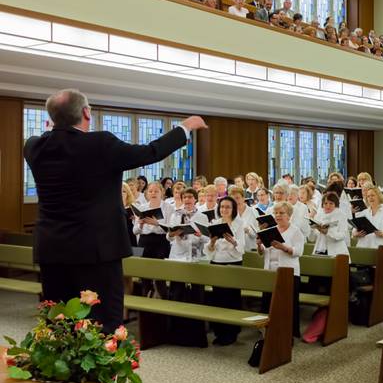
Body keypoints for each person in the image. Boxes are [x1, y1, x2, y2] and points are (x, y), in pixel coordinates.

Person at [24, 89, 202, 330]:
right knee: (101, 320)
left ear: (52, 118)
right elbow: (150, 151)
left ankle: (62, 365)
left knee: (59, 318)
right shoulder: (100, 144)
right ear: (86, 112)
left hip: (52, 249)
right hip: (97, 251)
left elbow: (54, 136)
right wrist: (185, 127)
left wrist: (57, 122)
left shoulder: (34, 147)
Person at [165, 187, 209, 346]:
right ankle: (176, 334)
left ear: (195, 199)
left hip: (195, 257)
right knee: (177, 292)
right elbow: (168, 237)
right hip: (178, 257)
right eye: (185, 197)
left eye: (191, 197)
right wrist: (172, 234)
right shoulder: (176, 214)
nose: (188, 200)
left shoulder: (202, 216)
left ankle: (196, 336)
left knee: (196, 295)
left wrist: (200, 235)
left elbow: (207, 239)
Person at [256, 200, 303, 338]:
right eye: (276, 213)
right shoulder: (271, 230)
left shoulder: (296, 231)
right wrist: (259, 245)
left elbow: (299, 252)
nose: (278, 215)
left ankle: (288, 333)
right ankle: (269, 331)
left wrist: (283, 247)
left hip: (288, 272)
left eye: (281, 213)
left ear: (289, 215)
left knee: (286, 305)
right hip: (270, 271)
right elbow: (262, 252)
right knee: (268, 302)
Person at [204, 196, 246, 345]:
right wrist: (212, 242)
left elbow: (242, 248)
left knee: (231, 298)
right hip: (217, 263)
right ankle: (219, 332)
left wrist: (233, 241)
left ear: (233, 209)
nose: (224, 210)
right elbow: (208, 249)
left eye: (228, 207)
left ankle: (231, 332)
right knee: (218, 298)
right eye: (222, 207)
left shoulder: (239, 224)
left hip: (233, 263)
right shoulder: (215, 223)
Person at [352, 186, 383, 267]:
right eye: (368, 196)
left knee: (381, 277)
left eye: (373, 195)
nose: (370, 198)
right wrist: (356, 234)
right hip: (365, 252)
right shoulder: (363, 213)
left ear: (378, 196)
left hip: (382, 251)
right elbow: (354, 230)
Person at [311, 191, 350, 260]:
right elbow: (312, 238)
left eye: (331, 203)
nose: (328, 206)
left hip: (336, 251)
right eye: (325, 203)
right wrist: (315, 229)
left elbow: (342, 235)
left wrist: (327, 232)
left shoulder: (341, 215)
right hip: (320, 249)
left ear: (336, 204)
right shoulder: (319, 215)